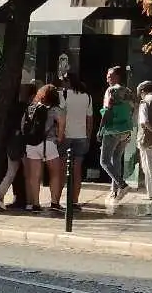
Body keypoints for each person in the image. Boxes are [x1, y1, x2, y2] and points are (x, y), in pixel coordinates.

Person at [22, 82, 63, 213]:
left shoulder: (32, 107)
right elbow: (61, 123)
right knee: (55, 174)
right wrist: (59, 137)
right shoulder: (56, 109)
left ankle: (35, 204)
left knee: (35, 176)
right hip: (49, 143)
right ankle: (54, 203)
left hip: (32, 144)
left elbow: (23, 124)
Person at [0, 81, 35, 210]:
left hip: (11, 142)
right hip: (22, 143)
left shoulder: (11, 108)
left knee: (11, 172)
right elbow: (25, 128)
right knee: (28, 174)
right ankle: (30, 202)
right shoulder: (27, 109)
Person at [99, 66, 135, 202]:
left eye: (110, 75)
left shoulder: (112, 90)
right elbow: (132, 110)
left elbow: (107, 111)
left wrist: (101, 129)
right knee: (116, 159)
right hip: (126, 130)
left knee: (104, 161)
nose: (107, 78)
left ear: (117, 77)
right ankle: (114, 191)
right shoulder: (129, 91)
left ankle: (122, 185)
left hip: (112, 130)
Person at [57, 73, 92, 207]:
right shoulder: (87, 96)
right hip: (81, 137)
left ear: (68, 82)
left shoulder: (63, 95)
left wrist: (60, 134)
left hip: (65, 135)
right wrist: (88, 137)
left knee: (61, 170)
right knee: (76, 171)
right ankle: (74, 200)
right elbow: (90, 119)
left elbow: (60, 116)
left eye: (62, 81)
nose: (61, 84)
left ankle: (57, 200)